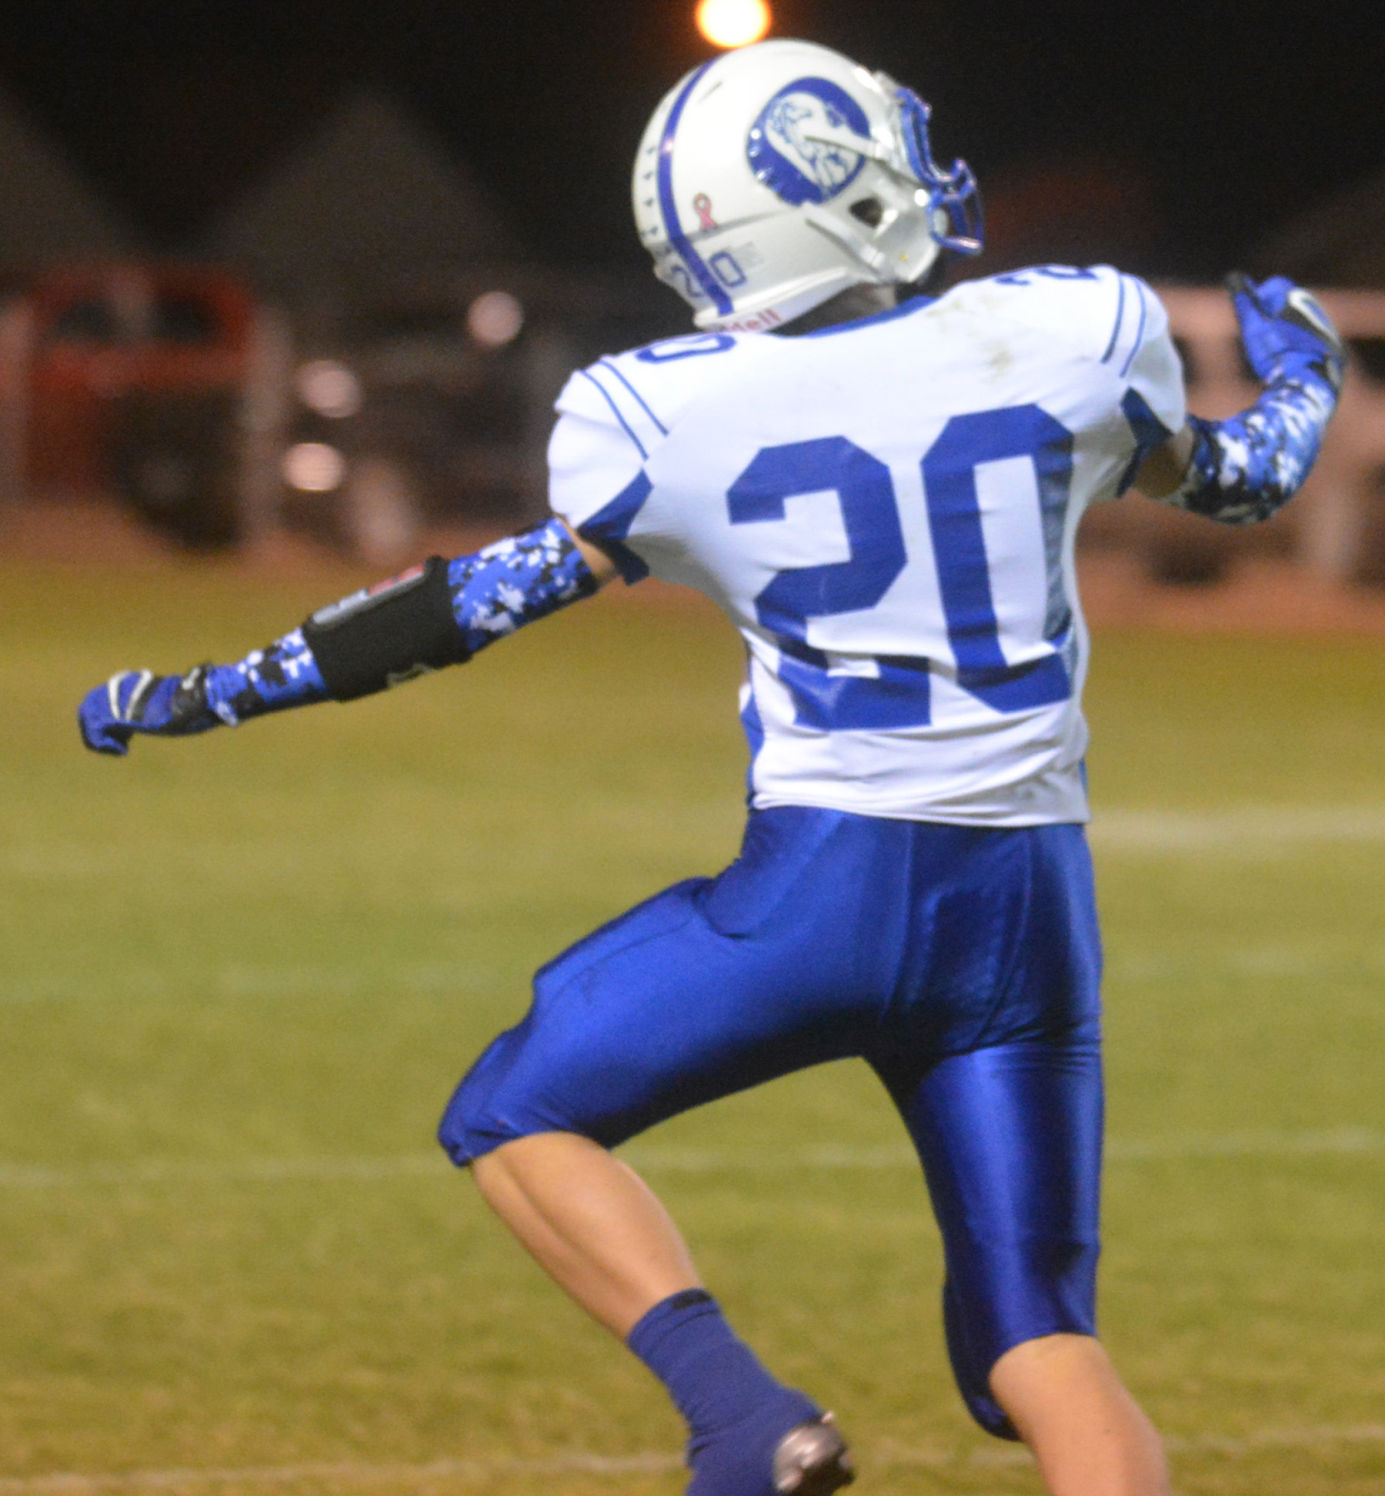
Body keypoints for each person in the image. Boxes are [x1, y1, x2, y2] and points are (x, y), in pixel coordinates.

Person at [79, 38, 1344, 1496]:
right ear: (837, 190)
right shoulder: (1064, 335)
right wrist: (1304, 363)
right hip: (1027, 915)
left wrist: (225, 692)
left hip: (826, 897)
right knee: (1037, 1335)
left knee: (510, 1110)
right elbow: (1247, 476)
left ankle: (742, 1420)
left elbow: (467, 605)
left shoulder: (664, 413)